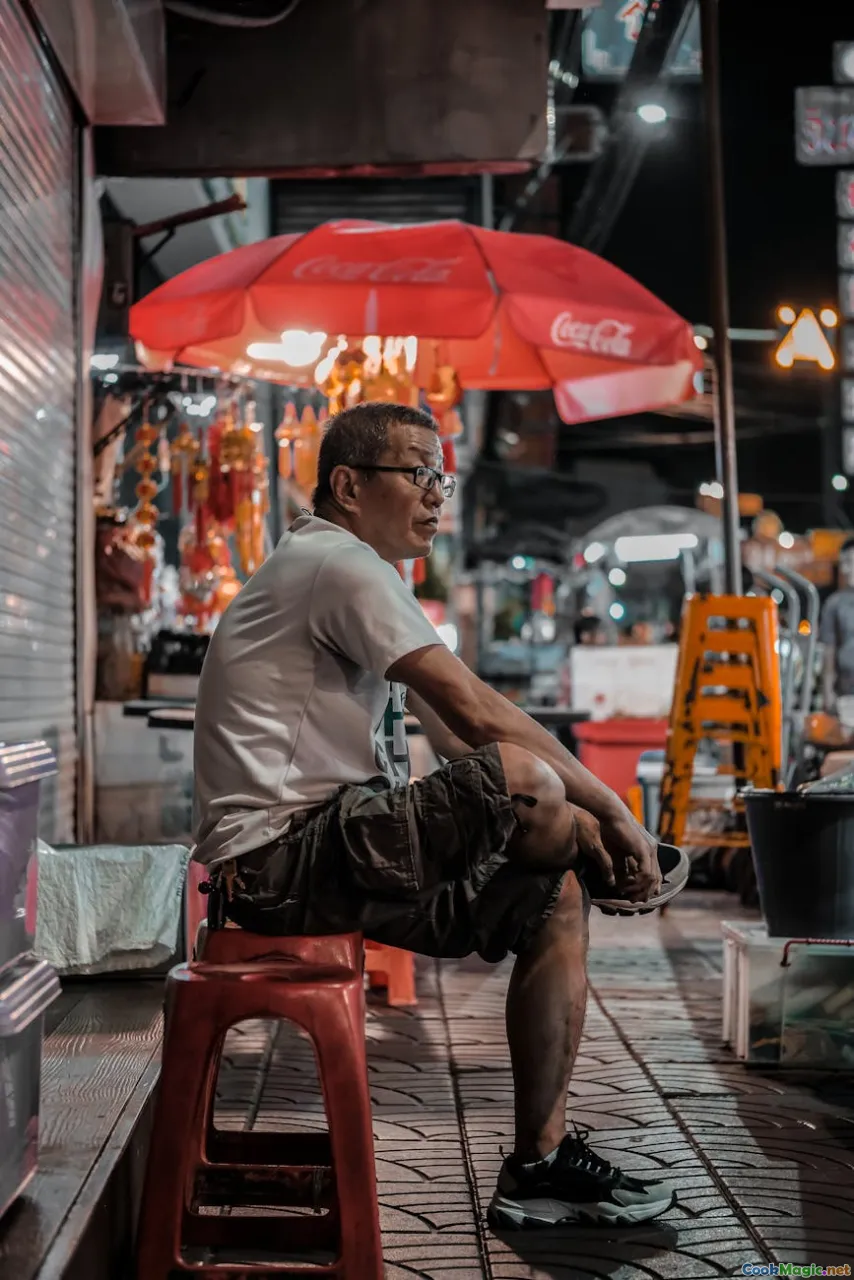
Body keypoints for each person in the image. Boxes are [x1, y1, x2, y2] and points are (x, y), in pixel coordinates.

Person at [193, 402, 684, 1230]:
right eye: (418, 473)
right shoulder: (337, 563)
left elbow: (454, 736)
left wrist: (566, 810)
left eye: (441, 478)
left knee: (554, 897)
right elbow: (479, 715)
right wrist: (610, 807)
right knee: (526, 783)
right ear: (350, 485)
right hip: (283, 860)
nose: (435, 495)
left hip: (336, 850)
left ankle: (540, 1165)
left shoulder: (355, 573)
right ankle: (615, 856)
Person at [821, 537, 854, 718]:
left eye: (850, 562)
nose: (846, 569)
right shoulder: (834, 604)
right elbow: (829, 651)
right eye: (844, 563)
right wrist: (828, 692)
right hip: (847, 693)